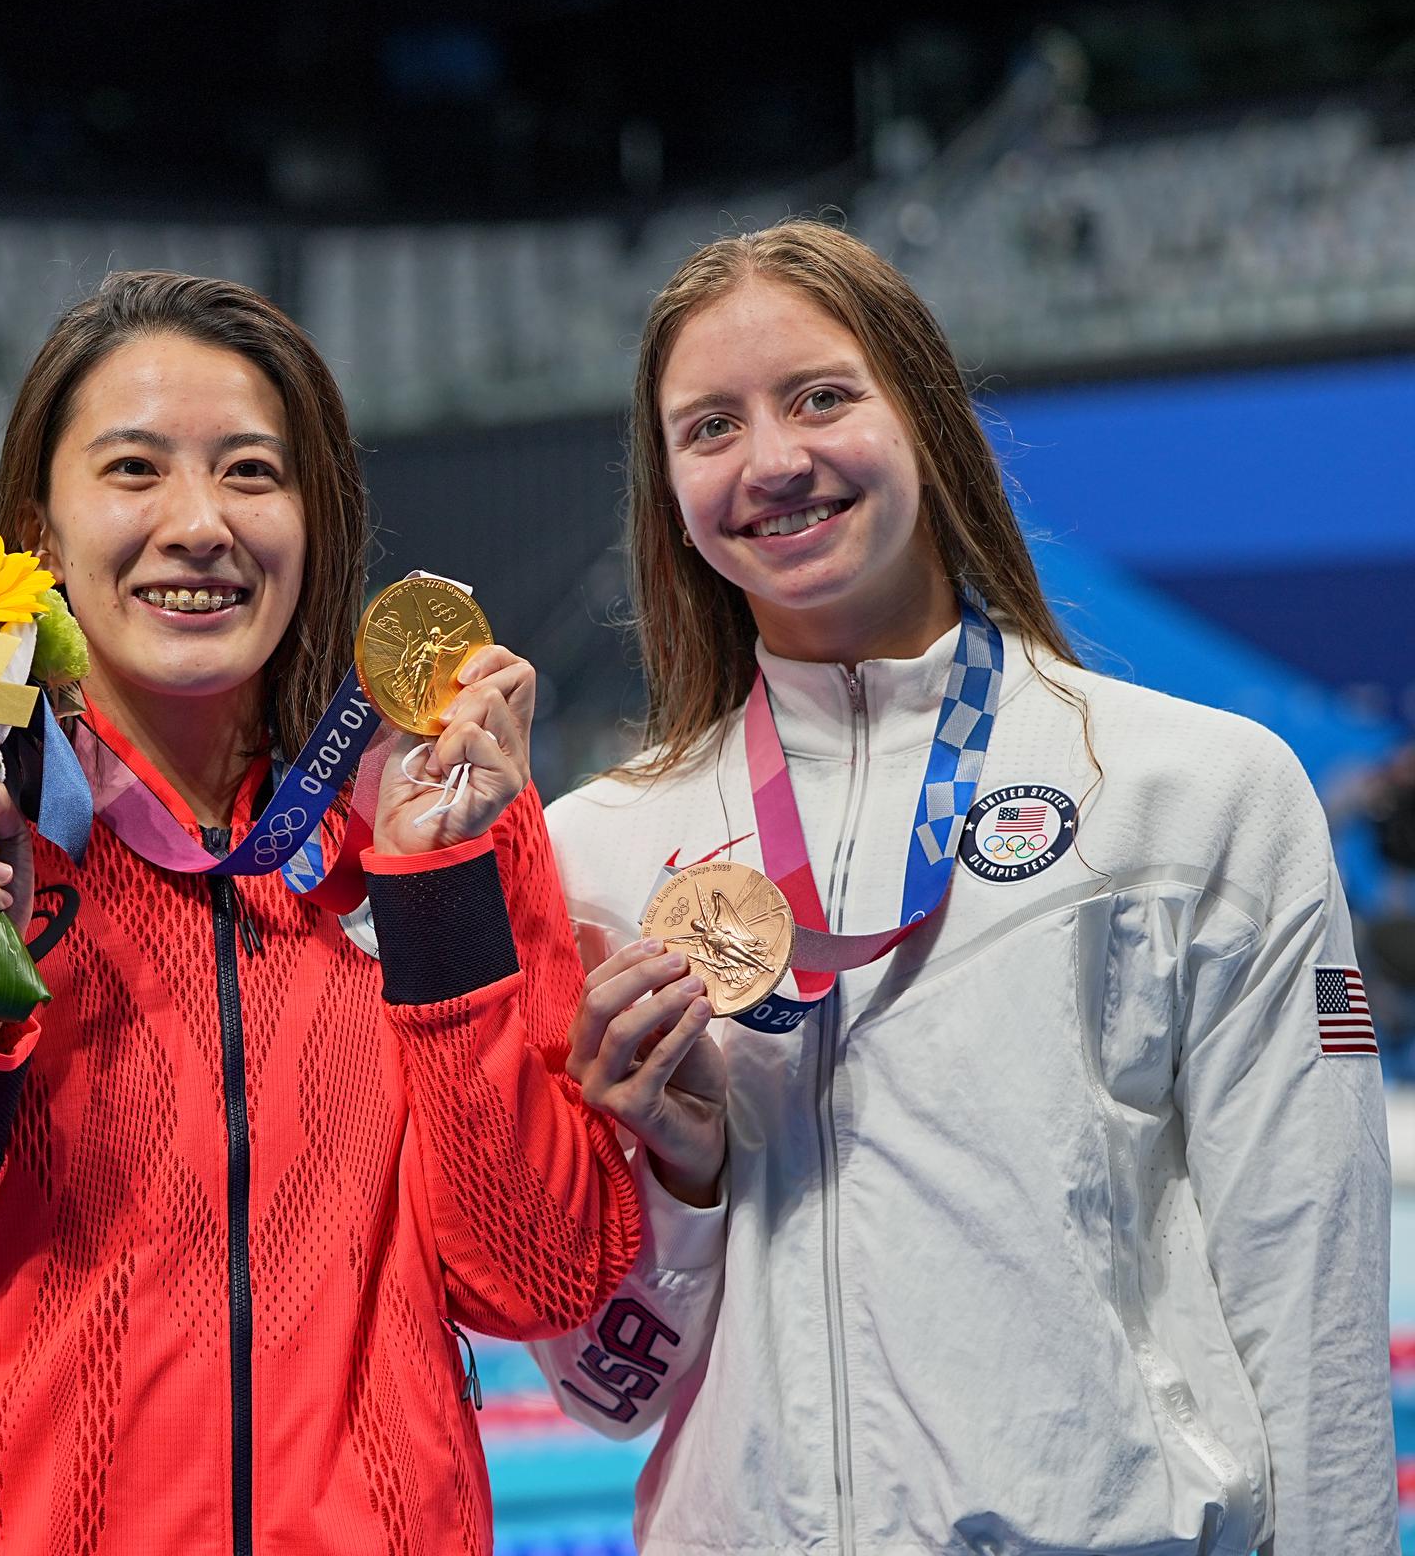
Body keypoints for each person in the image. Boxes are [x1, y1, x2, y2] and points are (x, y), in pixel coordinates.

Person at [534, 220, 1393, 1552]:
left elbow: (1311, 1278)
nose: (772, 461)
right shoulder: (593, 851)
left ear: (926, 420)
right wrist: (681, 1177)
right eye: (709, 428)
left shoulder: (1197, 792)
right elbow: (607, 1392)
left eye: (821, 397)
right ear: (669, 494)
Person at [0, 270, 641, 1553]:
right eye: (133, 470)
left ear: (317, 517)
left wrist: (433, 890)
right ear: (38, 531)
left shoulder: (438, 807)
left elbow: (540, 1275)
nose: (200, 525)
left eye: (251, 472)